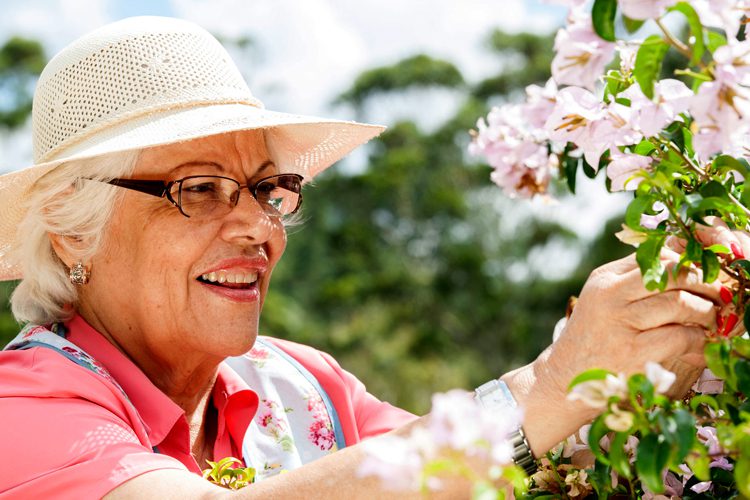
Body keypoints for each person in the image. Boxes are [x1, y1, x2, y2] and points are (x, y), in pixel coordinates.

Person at [0, 16, 738, 499]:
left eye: (268, 188)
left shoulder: (302, 383)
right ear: (71, 230)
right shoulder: (22, 408)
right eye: (199, 189)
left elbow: (489, 473)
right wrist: (552, 382)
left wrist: (638, 370)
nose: (258, 227)